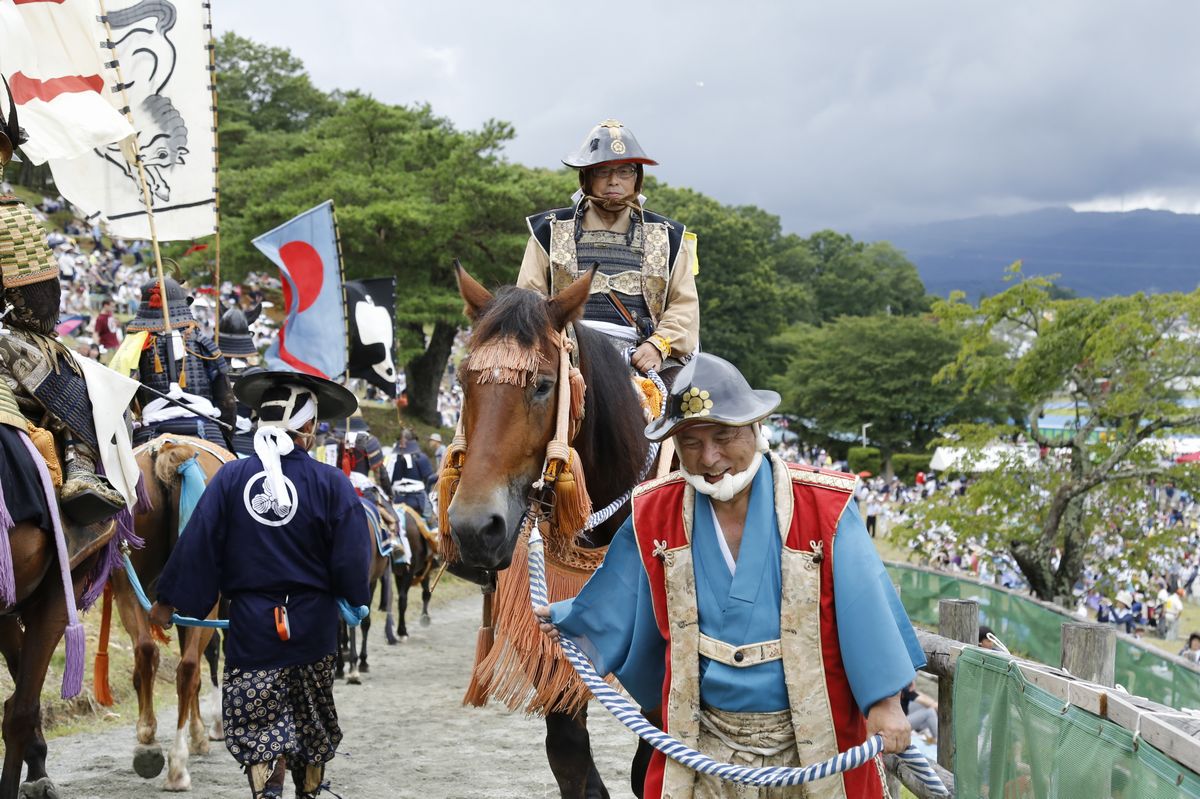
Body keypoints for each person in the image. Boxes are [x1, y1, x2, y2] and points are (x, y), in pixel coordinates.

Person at [536, 353, 924, 798]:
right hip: (701, 739)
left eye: (724, 437)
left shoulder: (823, 506)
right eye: (692, 444)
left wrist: (885, 702)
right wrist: (570, 617)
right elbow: (622, 590)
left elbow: (864, 605)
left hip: (810, 738)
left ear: (756, 428)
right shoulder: (655, 510)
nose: (711, 458)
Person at [149, 370, 371, 799]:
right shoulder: (332, 483)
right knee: (310, 717)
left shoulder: (232, 479)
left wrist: (167, 600)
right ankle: (307, 791)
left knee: (259, 721)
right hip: (313, 627)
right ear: (307, 426)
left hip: (251, 628)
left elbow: (199, 541)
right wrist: (355, 598)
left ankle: (267, 792)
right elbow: (351, 560)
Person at [517, 119, 699, 380]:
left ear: (637, 177)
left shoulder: (668, 235)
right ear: (586, 177)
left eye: (625, 171)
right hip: (565, 357)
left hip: (645, 358)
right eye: (603, 172)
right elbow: (528, 298)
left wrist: (658, 344)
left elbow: (685, 305)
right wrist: (554, 343)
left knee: (698, 407)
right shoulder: (549, 230)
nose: (614, 181)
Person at [127, 277, 235, 448]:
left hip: (152, 428)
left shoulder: (136, 348)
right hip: (204, 425)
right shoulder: (203, 344)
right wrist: (228, 434)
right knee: (232, 471)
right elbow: (227, 401)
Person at [391, 428, 434, 517]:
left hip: (396, 500)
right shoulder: (420, 457)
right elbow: (429, 479)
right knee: (433, 525)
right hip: (416, 502)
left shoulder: (391, 459)